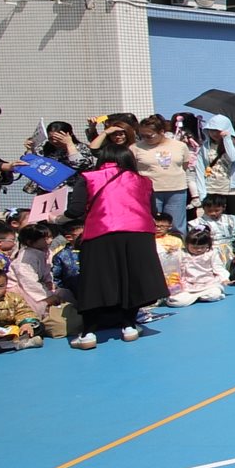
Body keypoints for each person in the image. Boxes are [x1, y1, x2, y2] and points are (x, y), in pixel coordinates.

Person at [62, 133, 162, 349]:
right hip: (139, 233)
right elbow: (153, 211)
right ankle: (129, 326)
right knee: (132, 279)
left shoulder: (88, 177)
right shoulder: (143, 181)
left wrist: (55, 218)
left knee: (96, 281)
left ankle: (89, 333)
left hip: (101, 232)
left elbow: (75, 210)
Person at [6, 222, 75, 339]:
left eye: (50, 237)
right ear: (30, 242)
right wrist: (45, 297)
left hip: (39, 285)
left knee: (64, 294)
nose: (49, 240)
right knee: (37, 308)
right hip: (24, 289)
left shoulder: (45, 251)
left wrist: (49, 282)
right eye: (45, 238)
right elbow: (28, 280)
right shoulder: (26, 257)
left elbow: (47, 269)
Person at [167, 227, 231, 307]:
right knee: (176, 301)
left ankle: (193, 297)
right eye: (195, 247)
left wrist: (224, 279)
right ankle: (196, 297)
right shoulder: (182, 254)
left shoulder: (211, 253)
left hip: (208, 284)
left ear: (208, 245)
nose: (199, 250)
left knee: (214, 294)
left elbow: (218, 267)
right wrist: (170, 253)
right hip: (187, 285)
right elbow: (171, 264)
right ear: (187, 245)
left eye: (203, 247)